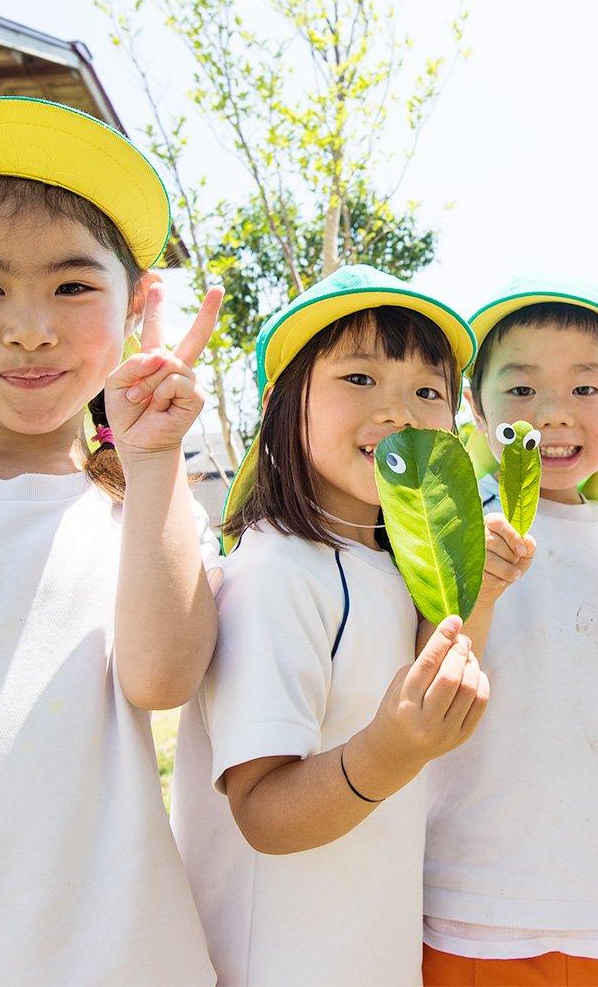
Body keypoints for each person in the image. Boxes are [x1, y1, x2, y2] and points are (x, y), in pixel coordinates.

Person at [170, 264, 498, 986]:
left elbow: (425, 671)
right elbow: (262, 811)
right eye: (358, 378)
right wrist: (388, 749)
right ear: (287, 406)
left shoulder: (391, 567)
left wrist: (483, 584)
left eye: (427, 390)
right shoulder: (276, 573)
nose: (400, 410)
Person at [0, 96, 223, 984]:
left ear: (138, 301)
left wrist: (155, 462)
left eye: (73, 285)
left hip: (116, 956)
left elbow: (162, 678)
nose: (29, 326)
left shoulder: (138, 503)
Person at [420, 272, 598, 987]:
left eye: (584, 387)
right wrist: (477, 588)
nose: (553, 413)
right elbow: (431, 696)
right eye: (519, 389)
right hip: (477, 907)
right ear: (474, 413)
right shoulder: (448, 529)